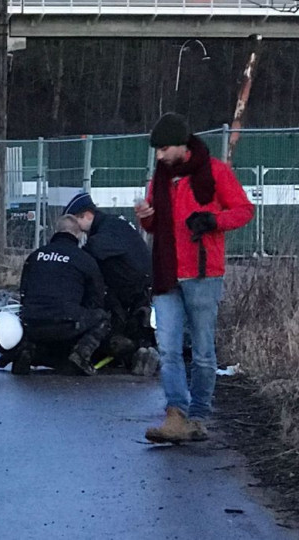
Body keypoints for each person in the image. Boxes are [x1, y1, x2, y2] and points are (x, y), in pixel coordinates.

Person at [138, 113, 254, 444]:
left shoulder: (215, 172)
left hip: (203, 275)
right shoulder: (158, 180)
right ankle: (176, 413)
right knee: (168, 347)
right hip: (166, 274)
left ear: (182, 145)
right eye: (157, 151)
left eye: (163, 149)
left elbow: (244, 210)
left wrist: (212, 220)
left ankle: (198, 416)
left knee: (203, 351)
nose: (159, 156)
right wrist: (146, 219)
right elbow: (155, 225)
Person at [63, 192, 158, 375]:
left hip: (134, 288)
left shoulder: (108, 229)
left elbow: (92, 253)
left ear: (87, 215)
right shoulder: (111, 226)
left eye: (76, 222)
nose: (78, 230)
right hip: (131, 286)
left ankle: (124, 349)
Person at [2, 215, 110, 376]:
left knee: (36, 319)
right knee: (102, 317)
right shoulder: (84, 259)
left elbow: (23, 292)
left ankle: (27, 349)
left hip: (31, 323)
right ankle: (81, 355)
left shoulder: (36, 256)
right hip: (65, 323)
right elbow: (97, 298)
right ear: (79, 234)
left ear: (55, 231)